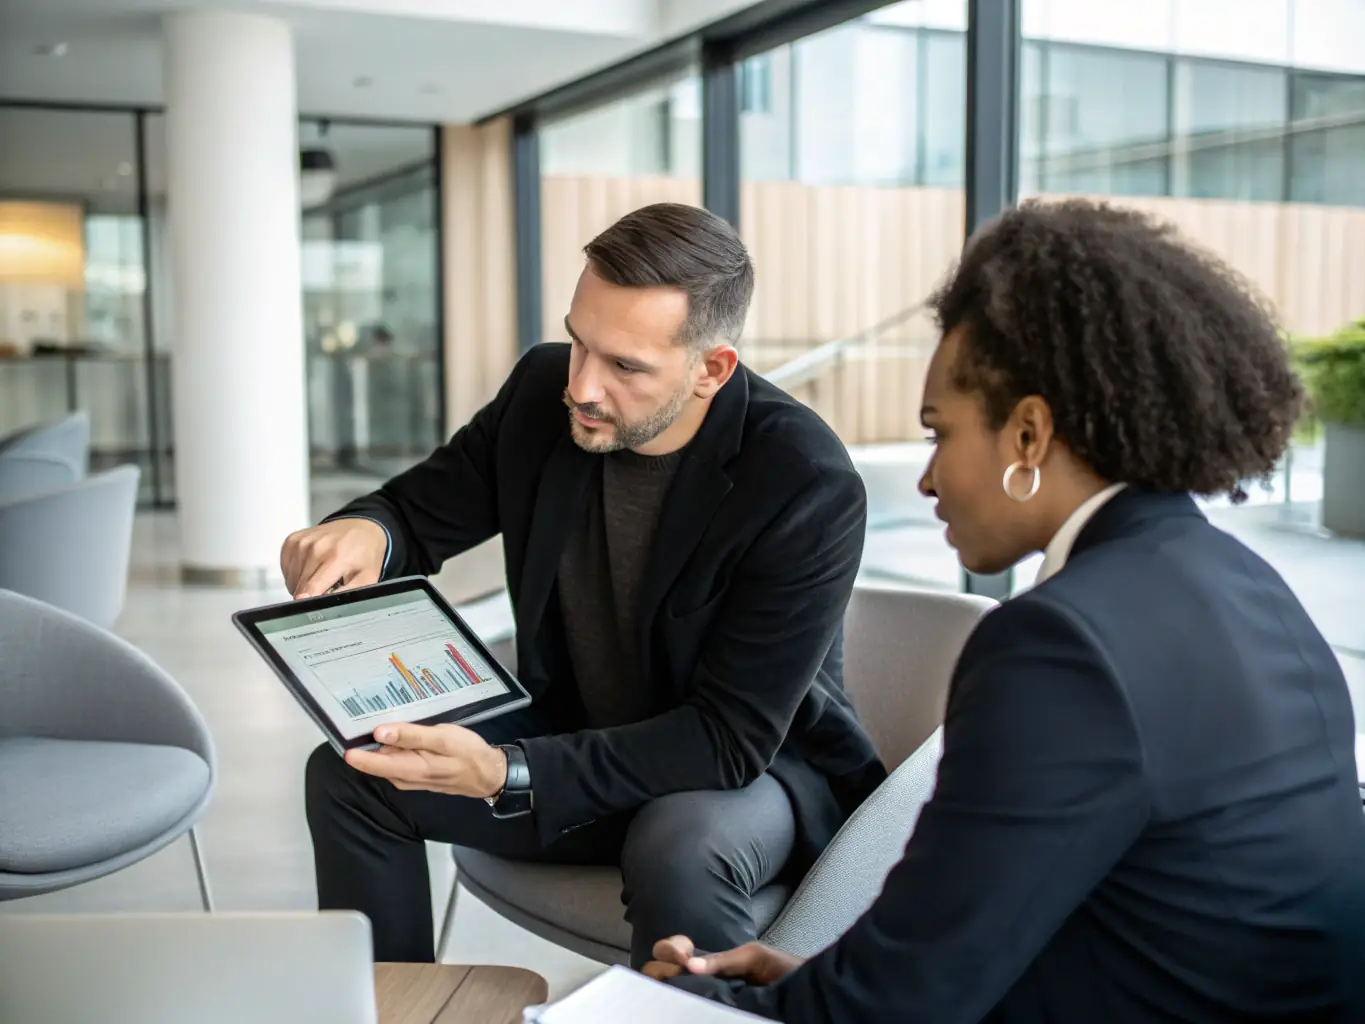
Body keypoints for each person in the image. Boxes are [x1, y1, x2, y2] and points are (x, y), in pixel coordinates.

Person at [645, 198, 1365, 1022]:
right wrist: (810, 978)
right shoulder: (1246, 583)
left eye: (937, 434)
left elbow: (900, 1009)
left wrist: (698, 1001)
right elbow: (1091, 924)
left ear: (1026, 435)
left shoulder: (1059, 645)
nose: (926, 481)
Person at [288, 203, 886, 967]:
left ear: (711, 368)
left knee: (678, 845)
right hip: (578, 732)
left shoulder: (803, 482)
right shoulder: (543, 393)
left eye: (625, 367)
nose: (583, 387)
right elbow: (416, 511)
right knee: (352, 774)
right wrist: (367, 530)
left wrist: (509, 772)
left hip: (742, 774)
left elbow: (726, 739)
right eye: (578, 343)